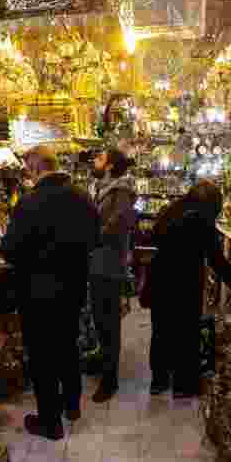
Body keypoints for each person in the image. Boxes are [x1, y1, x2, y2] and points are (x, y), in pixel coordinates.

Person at [0, 145, 101, 440]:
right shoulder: (82, 197)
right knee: (68, 346)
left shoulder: (29, 202)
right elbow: (95, 239)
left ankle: (50, 421)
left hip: (37, 292)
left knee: (42, 355)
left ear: (33, 169)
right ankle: (71, 405)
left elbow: (11, 249)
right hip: (72, 287)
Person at [143, 180, 231, 398]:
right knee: (186, 335)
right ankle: (183, 385)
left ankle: (159, 381)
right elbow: (216, 259)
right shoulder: (200, 220)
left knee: (161, 332)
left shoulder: (171, 211)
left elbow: (154, 237)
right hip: (185, 283)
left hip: (161, 280)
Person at [88, 147, 138, 403]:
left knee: (108, 322)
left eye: (98, 158)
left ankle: (110, 379)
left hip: (108, 265)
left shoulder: (120, 191)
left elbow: (123, 221)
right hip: (98, 262)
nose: (94, 162)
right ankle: (103, 364)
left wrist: (96, 234)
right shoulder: (103, 187)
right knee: (100, 319)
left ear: (109, 165)